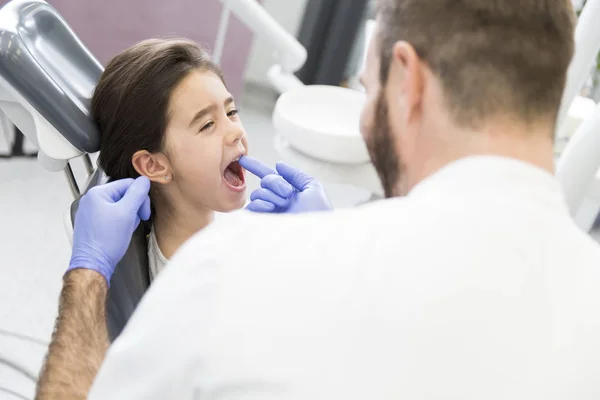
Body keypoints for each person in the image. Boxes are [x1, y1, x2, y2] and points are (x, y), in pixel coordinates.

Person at [37, 0, 600, 399]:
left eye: (368, 88)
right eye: (207, 124)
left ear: (409, 81)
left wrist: (86, 272)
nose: (235, 131)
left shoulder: (225, 272)